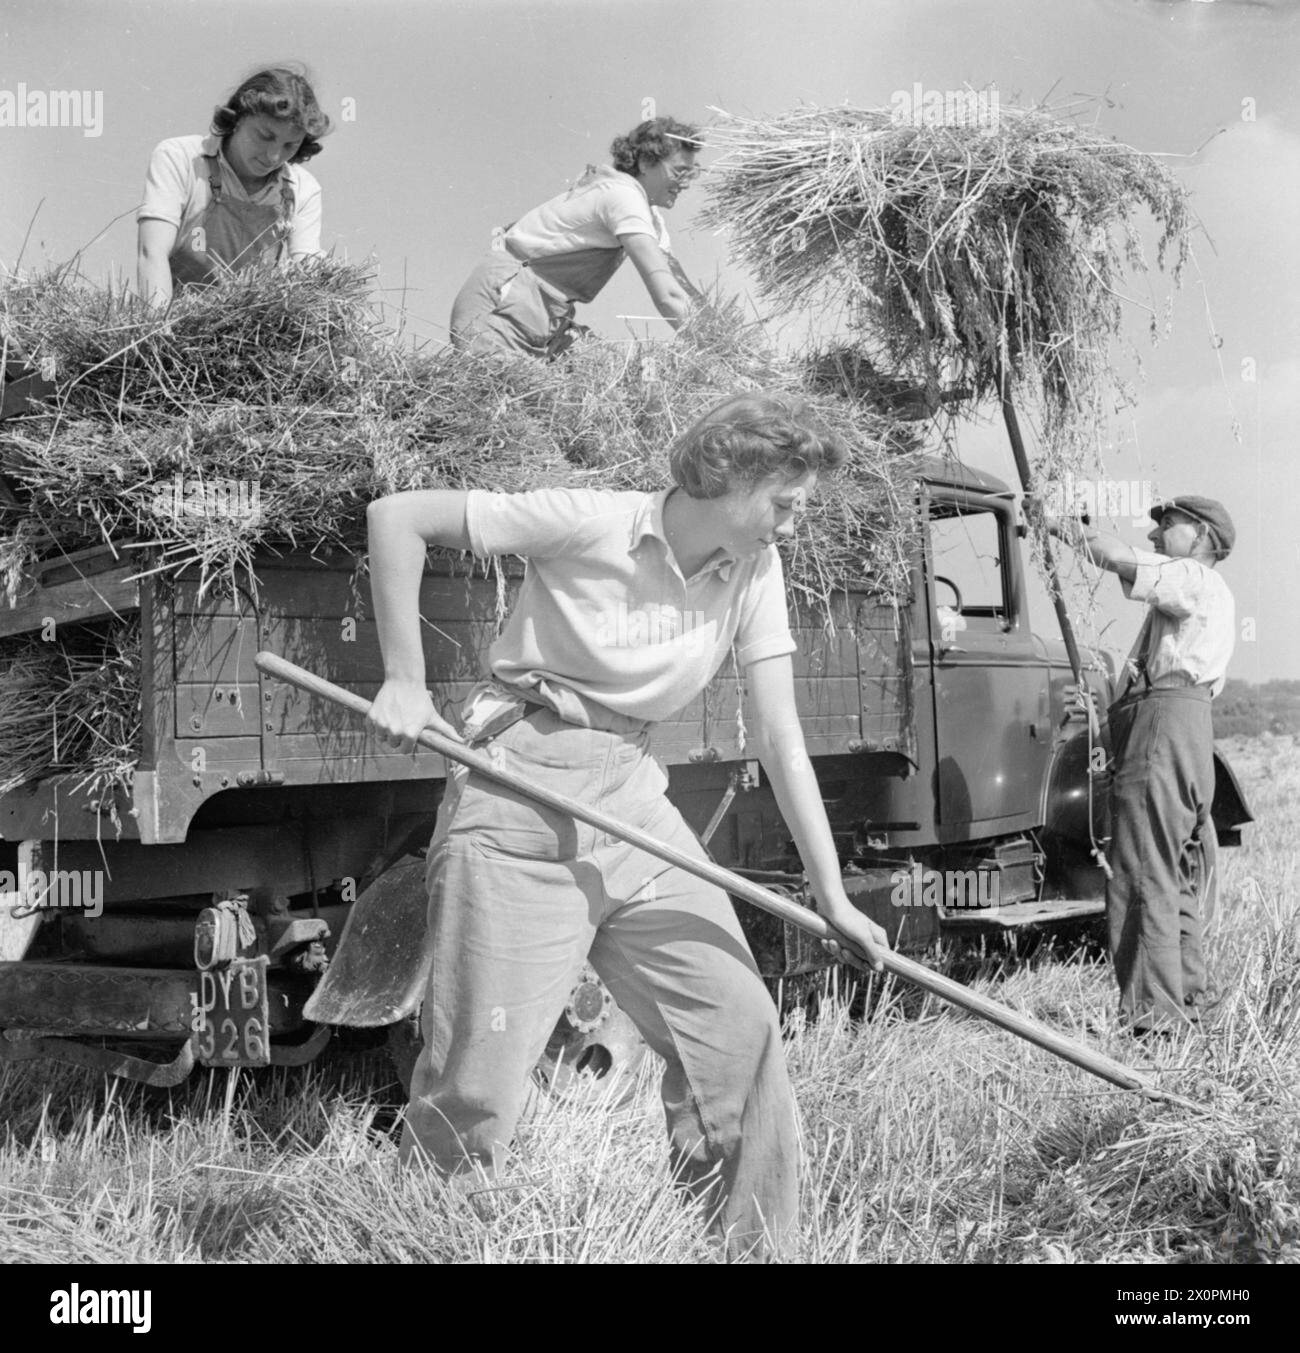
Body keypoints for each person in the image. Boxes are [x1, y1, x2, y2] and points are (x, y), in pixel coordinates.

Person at [366, 392, 890, 1258]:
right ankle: (417, 1241)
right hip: (517, 790)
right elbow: (399, 516)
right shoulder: (593, 522)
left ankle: (758, 1250)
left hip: (632, 798)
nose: (793, 527)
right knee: (477, 1091)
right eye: (786, 503)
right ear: (731, 477)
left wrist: (831, 892)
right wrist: (404, 677)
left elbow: (782, 735)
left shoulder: (754, 570)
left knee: (740, 1032)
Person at [1035, 494, 1236, 1035]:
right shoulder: (1196, 598)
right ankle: (1189, 1002)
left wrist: (1058, 528)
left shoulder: (1193, 577)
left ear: (1200, 537)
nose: (1153, 536)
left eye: (1166, 526)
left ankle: (1152, 1020)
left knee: (1141, 871)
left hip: (1164, 728)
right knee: (1172, 877)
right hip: (1184, 730)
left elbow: (1119, 558)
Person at [449, 117, 703, 359]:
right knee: (527, 398)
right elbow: (667, 296)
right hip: (499, 308)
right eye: (679, 172)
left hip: (542, 313)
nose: (685, 183)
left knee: (609, 371)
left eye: (692, 174)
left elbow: (677, 283)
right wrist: (717, 351)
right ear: (647, 163)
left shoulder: (648, 213)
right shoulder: (623, 196)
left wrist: (718, 329)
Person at [137, 67, 330, 308]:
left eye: (290, 145)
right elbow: (152, 253)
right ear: (238, 119)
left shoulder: (302, 188)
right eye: (265, 136)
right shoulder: (180, 158)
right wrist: (157, 337)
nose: (273, 156)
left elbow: (306, 271)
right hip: (174, 319)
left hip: (246, 334)